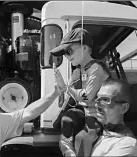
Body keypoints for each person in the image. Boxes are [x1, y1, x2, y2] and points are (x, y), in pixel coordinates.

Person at [50, 28, 111, 157]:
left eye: (69, 51)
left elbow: (87, 97)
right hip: (89, 115)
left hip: (102, 119)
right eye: (64, 53)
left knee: (82, 138)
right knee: (67, 123)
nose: (66, 56)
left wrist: (66, 87)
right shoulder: (81, 70)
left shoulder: (96, 69)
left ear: (84, 48)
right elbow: (70, 97)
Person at [91, 78, 137, 156]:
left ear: (124, 108)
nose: (97, 105)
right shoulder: (95, 131)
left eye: (105, 100)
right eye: (96, 98)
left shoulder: (127, 144)